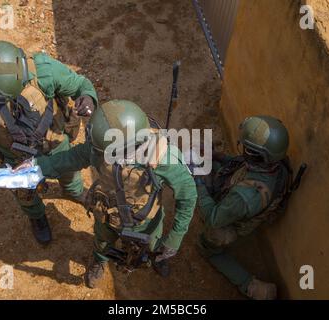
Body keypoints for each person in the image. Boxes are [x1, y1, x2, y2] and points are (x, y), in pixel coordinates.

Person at [29, 100, 197, 288]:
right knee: (102, 243)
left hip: (146, 223)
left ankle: (157, 259)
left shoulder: (164, 159)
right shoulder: (101, 146)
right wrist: (33, 169)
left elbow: (188, 196)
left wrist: (174, 240)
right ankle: (99, 261)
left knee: (153, 247)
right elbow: (70, 158)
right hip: (107, 215)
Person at [0, 40, 98, 244]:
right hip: (15, 154)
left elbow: (80, 84)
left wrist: (87, 98)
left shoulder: (44, 71)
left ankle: (74, 192)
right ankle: (36, 216)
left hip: (55, 142)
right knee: (25, 194)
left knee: (70, 174)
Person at [194, 116, 293, 300]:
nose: (243, 150)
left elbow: (214, 217)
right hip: (241, 195)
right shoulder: (274, 163)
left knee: (206, 246)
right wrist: (218, 157)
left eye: (246, 148)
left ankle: (252, 286)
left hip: (230, 224)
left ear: (258, 155)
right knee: (205, 163)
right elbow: (242, 164)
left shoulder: (245, 197)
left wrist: (198, 183)